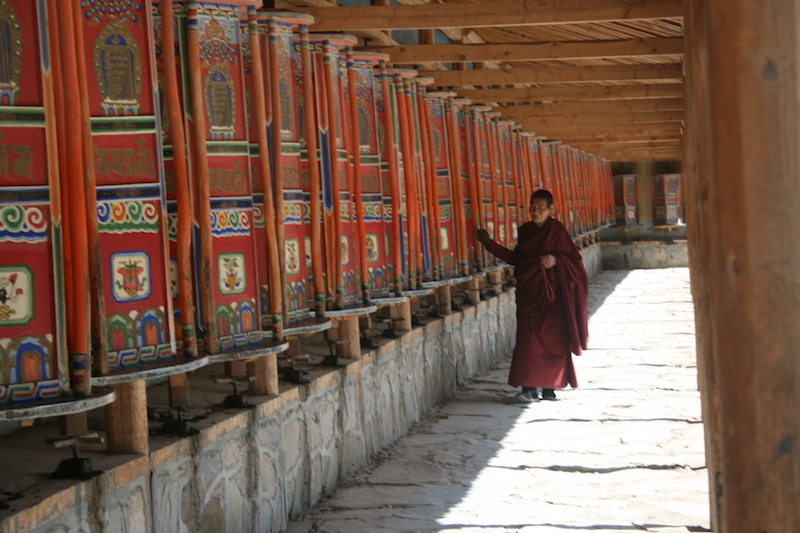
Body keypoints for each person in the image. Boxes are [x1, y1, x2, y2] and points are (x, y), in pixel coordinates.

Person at [476, 189, 589, 402]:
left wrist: (556, 260)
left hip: (553, 298)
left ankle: (549, 388)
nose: (535, 212)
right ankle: (528, 389)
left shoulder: (557, 231)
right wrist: (489, 244)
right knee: (528, 342)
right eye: (532, 208)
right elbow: (517, 259)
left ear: (550, 209)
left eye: (540, 208)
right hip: (530, 296)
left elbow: (575, 263)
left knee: (554, 343)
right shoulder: (526, 231)